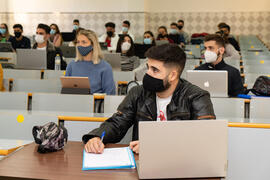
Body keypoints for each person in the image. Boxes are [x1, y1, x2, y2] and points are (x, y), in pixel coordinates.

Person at [83, 43, 216, 154]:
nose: (148, 74)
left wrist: (154, 146)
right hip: (142, 163)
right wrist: (97, 137)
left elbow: (205, 138)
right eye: (148, 68)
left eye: (155, 70)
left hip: (182, 165)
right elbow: (117, 123)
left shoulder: (197, 96)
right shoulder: (137, 93)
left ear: (172, 75)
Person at [66, 29, 116, 95]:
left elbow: (110, 94)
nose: (80, 45)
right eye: (78, 42)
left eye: (84, 42)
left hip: (95, 103)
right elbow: (66, 90)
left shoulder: (105, 67)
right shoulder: (71, 65)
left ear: (93, 45)